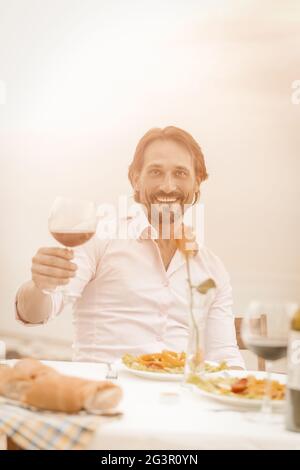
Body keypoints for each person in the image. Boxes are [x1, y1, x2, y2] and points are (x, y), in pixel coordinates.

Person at [15, 126, 244, 368]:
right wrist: (41, 286)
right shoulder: (99, 238)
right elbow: (35, 313)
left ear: (197, 182)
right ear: (136, 179)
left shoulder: (212, 269)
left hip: (181, 400)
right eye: (155, 172)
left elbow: (226, 359)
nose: (168, 186)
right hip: (106, 396)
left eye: (180, 173)